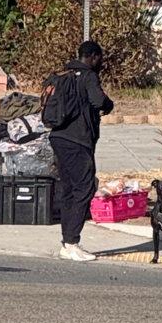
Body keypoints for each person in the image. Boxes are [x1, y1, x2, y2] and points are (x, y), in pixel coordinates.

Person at [48, 40, 114, 262]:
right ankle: (72, 242)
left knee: (68, 189)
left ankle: (67, 242)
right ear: (93, 57)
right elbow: (98, 100)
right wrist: (109, 104)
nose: (101, 62)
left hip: (58, 138)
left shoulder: (65, 74)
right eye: (100, 58)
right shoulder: (88, 76)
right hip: (78, 142)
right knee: (84, 188)